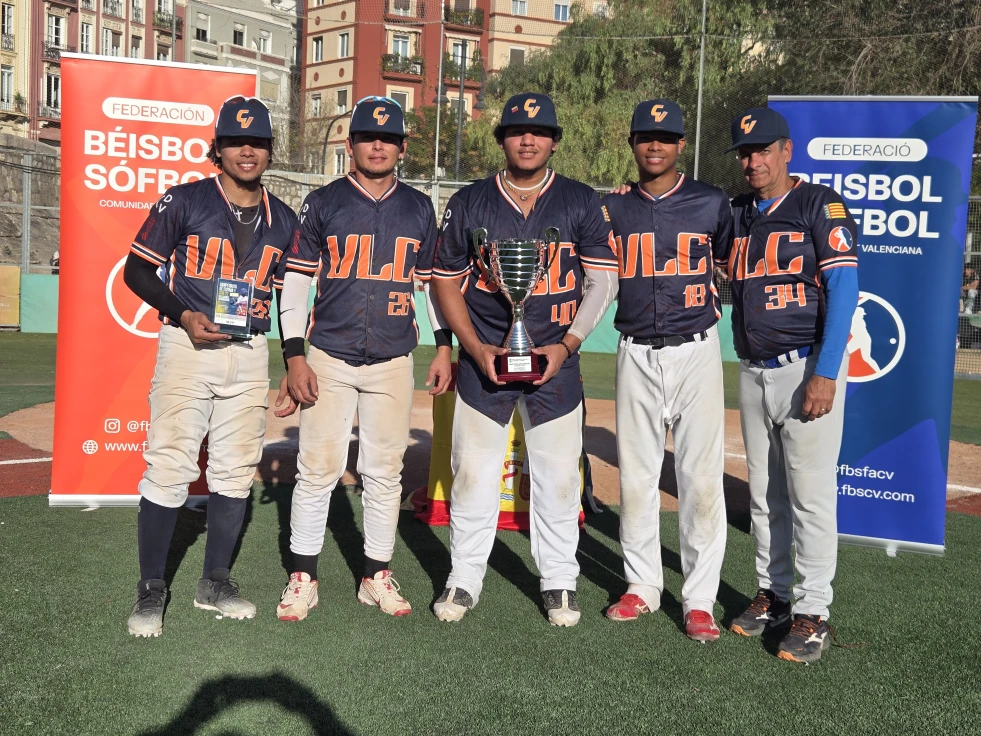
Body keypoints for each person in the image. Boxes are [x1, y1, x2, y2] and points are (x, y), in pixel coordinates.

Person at [429, 92, 619, 626]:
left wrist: (566, 346)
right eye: (517, 130)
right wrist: (474, 347)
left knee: (559, 478)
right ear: (502, 139)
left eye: (538, 131)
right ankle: (463, 578)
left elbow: (602, 283)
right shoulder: (469, 202)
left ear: (554, 140)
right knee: (472, 474)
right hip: (485, 358)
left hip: (556, 362)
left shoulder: (580, 200)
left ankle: (559, 581)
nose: (528, 138)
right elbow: (445, 284)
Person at [274, 96, 452, 622]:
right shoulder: (324, 200)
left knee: (384, 471)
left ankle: (375, 574)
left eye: (389, 137)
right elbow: (296, 283)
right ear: (350, 144)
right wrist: (293, 356)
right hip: (328, 352)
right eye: (369, 137)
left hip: (394, 356)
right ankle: (303, 574)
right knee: (317, 467)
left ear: (401, 147)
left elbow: (430, 288)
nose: (379, 144)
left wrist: (442, 344)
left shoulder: (420, 207)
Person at [123, 96, 295, 637]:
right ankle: (151, 587)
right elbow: (137, 272)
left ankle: (214, 580)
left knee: (235, 471)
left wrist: (292, 359)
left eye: (259, 142)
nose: (248, 150)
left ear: (270, 150)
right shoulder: (185, 199)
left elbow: (291, 298)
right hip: (187, 347)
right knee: (171, 465)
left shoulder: (284, 218)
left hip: (248, 352)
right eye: (237, 141)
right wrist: (183, 312)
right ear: (216, 148)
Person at [723, 107, 859, 663]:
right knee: (764, 496)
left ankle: (813, 612)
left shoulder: (817, 204)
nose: (753, 161)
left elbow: (845, 288)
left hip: (806, 367)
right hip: (754, 367)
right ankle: (773, 594)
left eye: (763, 150)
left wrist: (826, 371)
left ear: (787, 150)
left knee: (809, 498)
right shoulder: (736, 212)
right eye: (745, 153)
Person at [601, 99, 732, 642]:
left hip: (697, 350)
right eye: (645, 137)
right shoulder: (611, 208)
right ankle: (642, 586)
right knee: (636, 477)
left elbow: (726, 260)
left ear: (681, 145)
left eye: (666, 137)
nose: (655, 145)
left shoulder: (710, 201)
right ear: (632, 144)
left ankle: (699, 598)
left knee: (701, 479)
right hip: (634, 349)